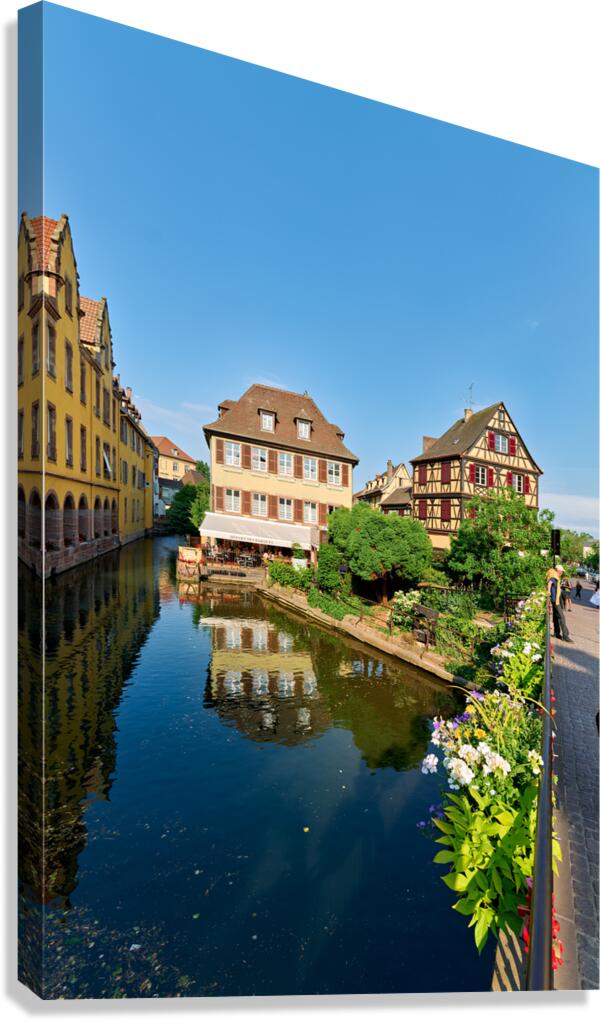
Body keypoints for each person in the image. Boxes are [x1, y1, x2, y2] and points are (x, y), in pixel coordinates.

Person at [546, 565, 573, 642]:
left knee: (556, 616)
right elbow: (550, 582)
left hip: (554, 599)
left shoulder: (553, 574)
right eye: (561, 571)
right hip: (555, 600)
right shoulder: (554, 576)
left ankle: (557, 633)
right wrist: (548, 591)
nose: (562, 573)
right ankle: (565, 635)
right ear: (558, 570)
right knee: (562, 617)